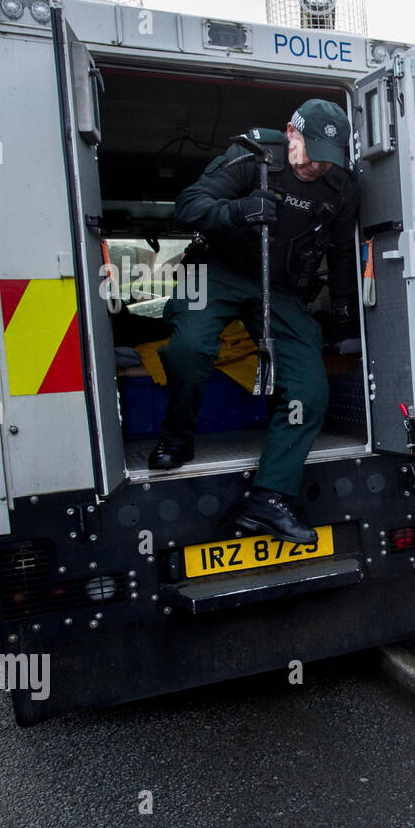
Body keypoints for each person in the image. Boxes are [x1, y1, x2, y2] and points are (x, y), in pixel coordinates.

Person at [148, 99, 360, 545]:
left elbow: (343, 251)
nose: (318, 164)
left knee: (309, 386)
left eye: (329, 157)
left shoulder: (340, 187)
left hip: (279, 288)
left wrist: (343, 306)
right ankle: (178, 438)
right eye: (311, 151)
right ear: (291, 133)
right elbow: (188, 206)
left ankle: (269, 497)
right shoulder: (253, 157)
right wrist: (237, 211)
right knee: (189, 349)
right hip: (217, 272)